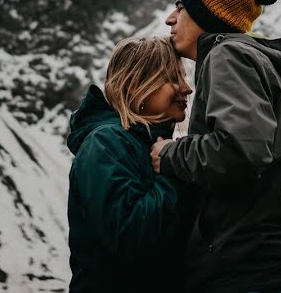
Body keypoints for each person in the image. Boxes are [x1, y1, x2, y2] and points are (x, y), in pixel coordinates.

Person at [150, 0, 281, 293]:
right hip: (261, 270)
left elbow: (239, 150)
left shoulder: (227, 55)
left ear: (206, 12)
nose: (170, 19)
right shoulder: (242, 58)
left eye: (180, 7)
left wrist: (168, 155)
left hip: (246, 273)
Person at [66, 35, 194, 293]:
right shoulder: (106, 143)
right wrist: (172, 171)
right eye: (172, 78)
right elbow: (130, 236)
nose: (186, 88)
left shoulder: (147, 143)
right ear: (136, 86)